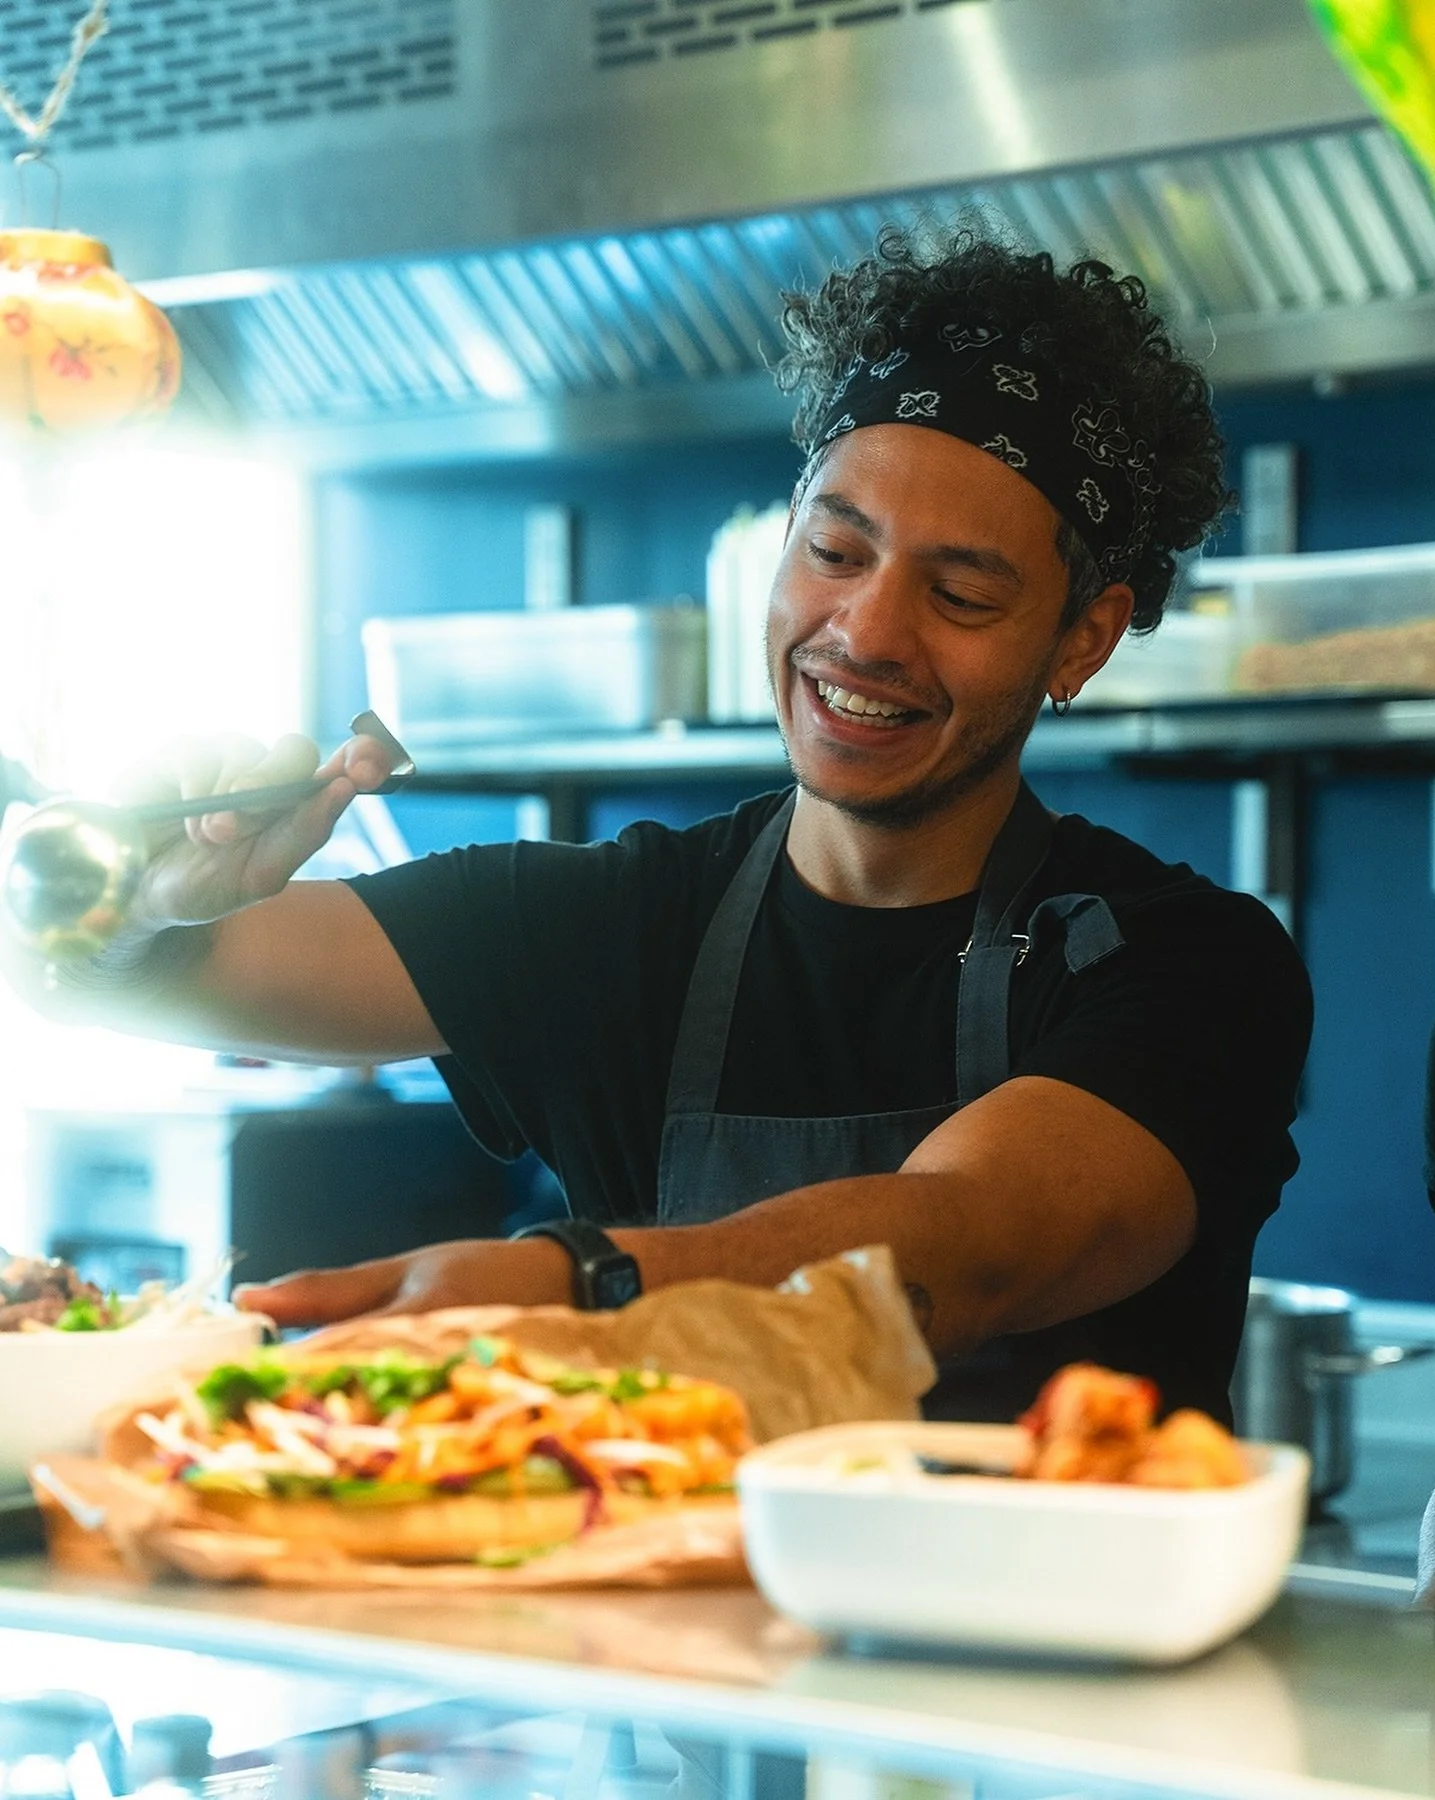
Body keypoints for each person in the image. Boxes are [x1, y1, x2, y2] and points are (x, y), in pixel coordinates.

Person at [5, 225, 1312, 1423]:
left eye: (962, 592)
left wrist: (583, 1288)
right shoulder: (601, 924)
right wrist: (139, 891)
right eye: (835, 552)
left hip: (1043, 1674)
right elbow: (113, 979)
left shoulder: (1182, 966)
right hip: (663, 1661)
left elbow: (966, 1243)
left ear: (1080, 638)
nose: (865, 633)